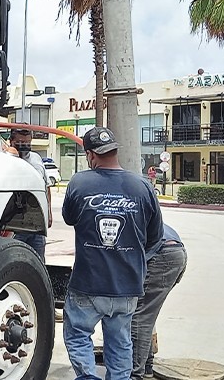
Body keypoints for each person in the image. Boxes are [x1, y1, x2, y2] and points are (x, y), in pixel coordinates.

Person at [61, 127, 164, 380]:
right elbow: (154, 238)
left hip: (88, 283)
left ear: (90, 155)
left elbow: (69, 218)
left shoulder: (79, 183)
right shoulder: (143, 186)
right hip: (127, 286)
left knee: (78, 335)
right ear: (115, 151)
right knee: (120, 342)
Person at [131, 223, 187, 379]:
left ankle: (135, 374)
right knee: (146, 313)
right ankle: (146, 366)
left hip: (162, 254)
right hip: (175, 251)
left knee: (139, 317)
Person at [8, 128, 53, 262]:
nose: (24, 145)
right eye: (20, 142)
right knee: (15, 260)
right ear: (11, 141)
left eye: (27, 142)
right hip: (15, 225)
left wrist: (49, 212)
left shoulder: (36, 158)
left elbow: (46, 186)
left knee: (38, 261)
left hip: (36, 224)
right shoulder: (6, 159)